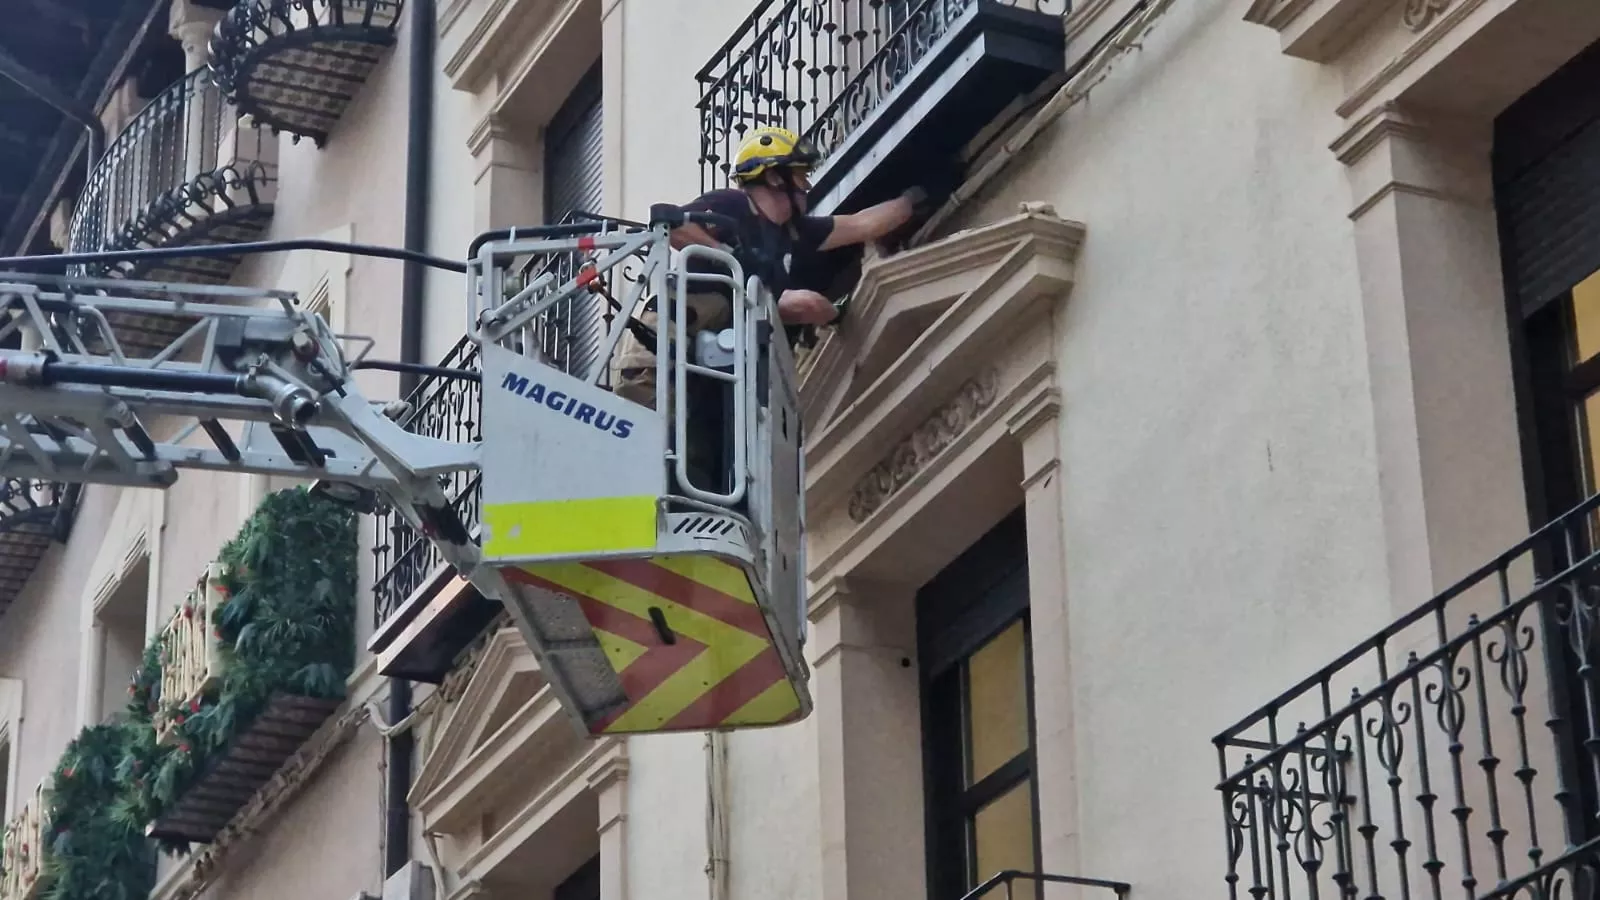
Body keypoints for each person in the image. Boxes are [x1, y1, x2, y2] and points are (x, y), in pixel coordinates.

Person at [611, 126, 935, 407]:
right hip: (653, 358)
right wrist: (730, 256)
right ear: (774, 177)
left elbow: (859, 225)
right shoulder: (734, 206)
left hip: (692, 374)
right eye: (800, 175)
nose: (807, 186)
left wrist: (912, 201)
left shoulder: (788, 236)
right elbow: (674, 226)